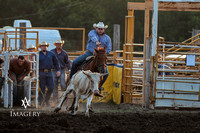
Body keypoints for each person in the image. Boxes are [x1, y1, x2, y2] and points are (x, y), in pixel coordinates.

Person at [70, 22, 112, 96]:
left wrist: (102, 53)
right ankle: (71, 82)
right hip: (90, 53)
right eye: (99, 29)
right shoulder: (92, 33)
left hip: (100, 56)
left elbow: (109, 49)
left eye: (101, 29)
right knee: (75, 62)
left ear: (104, 29)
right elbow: (92, 37)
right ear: (96, 28)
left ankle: (99, 87)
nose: (100, 30)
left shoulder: (107, 38)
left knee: (106, 73)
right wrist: (96, 42)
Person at [38, 41, 61, 106]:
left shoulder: (51, 54)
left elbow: (56, 62)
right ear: (40, 47)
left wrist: (58, 70)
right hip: (41, 72)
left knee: (51, 87)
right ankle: (41, 102)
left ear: (47, 47)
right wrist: (36, 73)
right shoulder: (38, 54)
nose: (44, 47)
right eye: (42, 46)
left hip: (49, 72)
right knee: (42, 88)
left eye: (45, 46)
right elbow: (35, 64)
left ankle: (47, 99)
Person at [51, 40, 71, 104]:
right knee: (54, 85)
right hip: (54, 70)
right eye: (58, 44)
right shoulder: (52, 52)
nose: (59, 45)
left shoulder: (64, 53)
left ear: (62, 45)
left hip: (62, 70)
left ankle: (63, 98)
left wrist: (69, 69)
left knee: (63, 84)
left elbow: (67, 62)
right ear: (55, 45)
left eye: (60, 44)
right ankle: (55, 100)